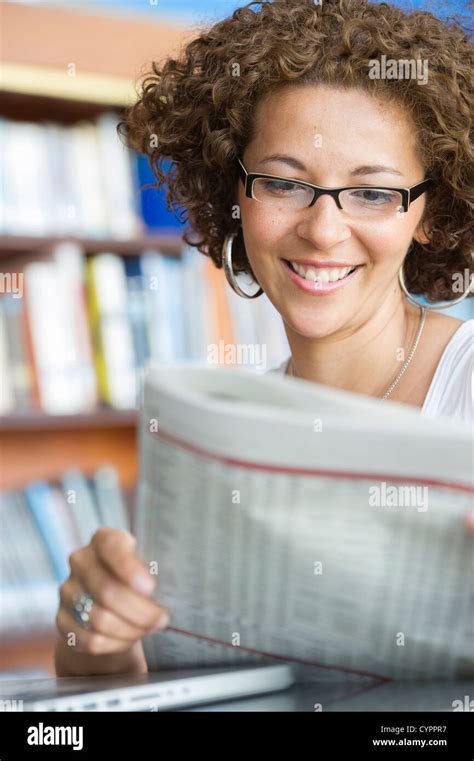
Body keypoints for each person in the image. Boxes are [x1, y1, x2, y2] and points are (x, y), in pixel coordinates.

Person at [54, 0, 473, 678]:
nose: (323, 230)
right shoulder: (220, 434)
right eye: (283, 182)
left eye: (372, 193)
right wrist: (94, 636)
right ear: (234, 194)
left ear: (432, 211)